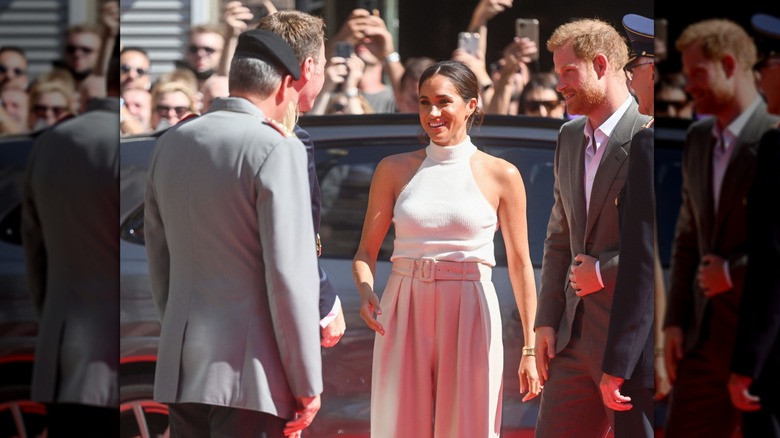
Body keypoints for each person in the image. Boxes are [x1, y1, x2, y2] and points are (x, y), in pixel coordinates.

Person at [144, 29, 322, 438]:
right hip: (250, 375)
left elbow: (160, 262)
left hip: (183, 366)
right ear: (283, 85)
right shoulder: (277, 147)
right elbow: (289, 277)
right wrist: (307, 383)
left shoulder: (172, 141)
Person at [353, 59, 540, 437]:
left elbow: (521, 265)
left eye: (443, 101)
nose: (432, 113)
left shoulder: (501, 174)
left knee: (470, 428)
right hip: (403, 304)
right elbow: (364, 255)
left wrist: (530, 347)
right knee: (398, 427)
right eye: (424, 102)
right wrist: (366, 291)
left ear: (471, 105)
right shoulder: (393, 169)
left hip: (471, 304)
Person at [532, 18, 651, 437]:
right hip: (571, 340)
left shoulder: (647, 135)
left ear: (601, 64)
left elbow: (658, 248)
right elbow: (559, 236)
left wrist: (601, 272)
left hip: (629, 344)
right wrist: (546, 320)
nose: (559, 84)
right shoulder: (568, 136)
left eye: (568, 71)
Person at [662, 18, 780, 437]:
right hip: (701, 342)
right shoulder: (697, 138)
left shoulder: (773, 133)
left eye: (698, 72)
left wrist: (732, 272)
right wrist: (674, 320)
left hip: (761, 345)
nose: (689, 85)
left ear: (729, 65)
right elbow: (687, 235)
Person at [20, 38, 121, 438]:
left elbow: (35, 252)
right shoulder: (129, 147)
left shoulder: (48, 143)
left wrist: (49, 317)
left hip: (61, 350)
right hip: (116, 358)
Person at [256, 10, 346, 347]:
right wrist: (325, 301)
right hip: (275, 313)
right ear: (308, 69)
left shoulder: (197, 134)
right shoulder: (290, 142)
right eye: (322, 65)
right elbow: (294, 233)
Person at [598, 13, 656, 438]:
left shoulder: (651, 144)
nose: (631, 82)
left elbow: (643, 262)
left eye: (633, 70)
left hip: (652, 363)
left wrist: (618, 363)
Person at [728, 12, 780, 437]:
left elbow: (772, 265)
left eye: (765, 65)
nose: (760, 77)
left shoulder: (776, 149)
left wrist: (748, 362)